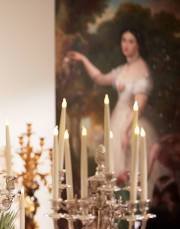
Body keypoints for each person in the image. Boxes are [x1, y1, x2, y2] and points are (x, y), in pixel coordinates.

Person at [67, 28, 158, 185]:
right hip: (116, 122)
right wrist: (83, 59)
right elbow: (100, 78)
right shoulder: (123, 69)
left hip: (130, 123)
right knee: (112, 170)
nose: (126, 45)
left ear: (138, 44)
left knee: (128, 172)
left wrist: (127, 130)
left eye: (131, 41)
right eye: (124, 40)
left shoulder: (142, 70)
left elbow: (138, 106)